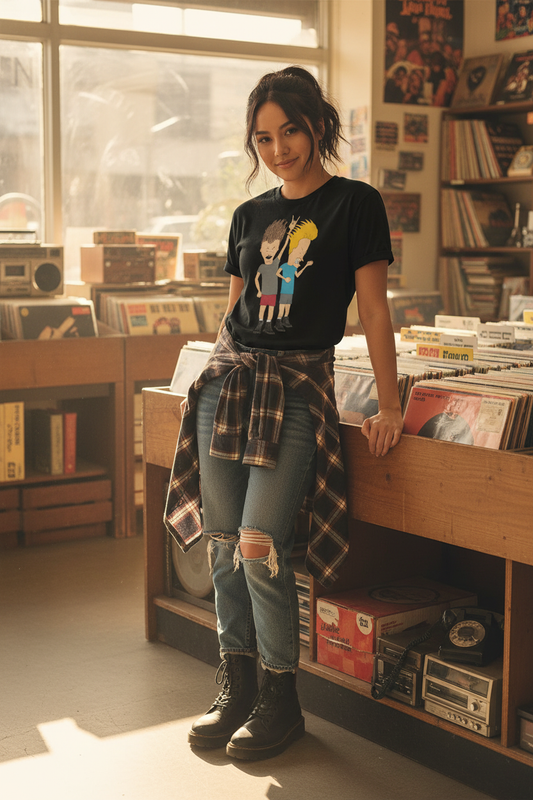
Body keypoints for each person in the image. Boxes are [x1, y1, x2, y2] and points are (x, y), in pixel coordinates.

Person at [164, 65, 403, 762]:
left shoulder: (354, 204)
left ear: (316, 124)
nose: (277, 148)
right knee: (219, 543)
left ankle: (280, 697)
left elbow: (375, 310)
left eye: (289, 130)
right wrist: (208, 376)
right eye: (263, 137)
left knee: (260, 544)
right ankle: (234, 684)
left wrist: (389, 404)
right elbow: (232, 314)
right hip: (228, 385)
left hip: (298, 390)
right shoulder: (248, 215)